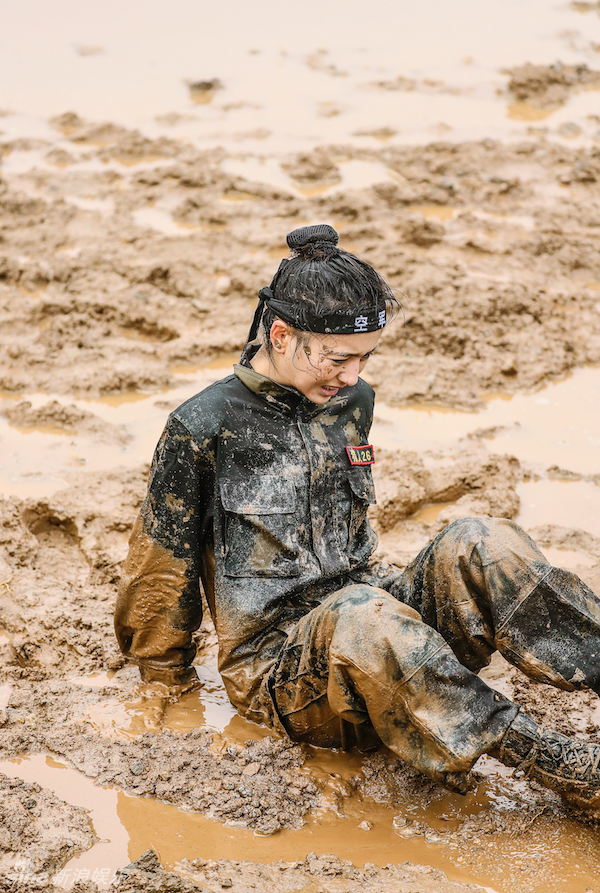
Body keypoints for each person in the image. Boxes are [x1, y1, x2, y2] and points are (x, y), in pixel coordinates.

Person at [115, 224, 600, 812]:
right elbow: (161, 566)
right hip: (284, 673)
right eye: (339, 359)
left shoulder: (352, 401)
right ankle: (557, 765)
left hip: (375, 619)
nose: (352, 376)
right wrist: (160, 680)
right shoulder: (202, 425)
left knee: (481, 539)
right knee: (363, 615)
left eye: (365, 359)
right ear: (282, 335)